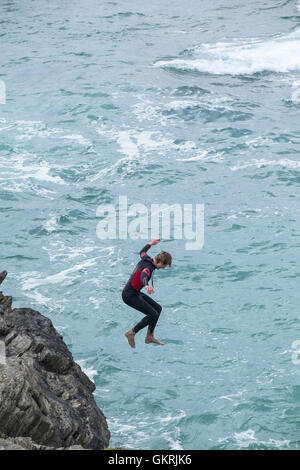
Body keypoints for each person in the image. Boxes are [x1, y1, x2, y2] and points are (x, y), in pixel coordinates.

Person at [122, 238, 172, 348]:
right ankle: (132, 332)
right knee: (153, 314)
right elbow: (143, 275)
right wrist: (146, 285)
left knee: (158, 308)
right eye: (164, 265)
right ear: (159, 262)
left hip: (134, 292)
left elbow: (142, 252)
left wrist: (150, 244)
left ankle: (149, 336)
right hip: (129, 296)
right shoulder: (149, 267)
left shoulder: (147, 259)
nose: (164, 268)